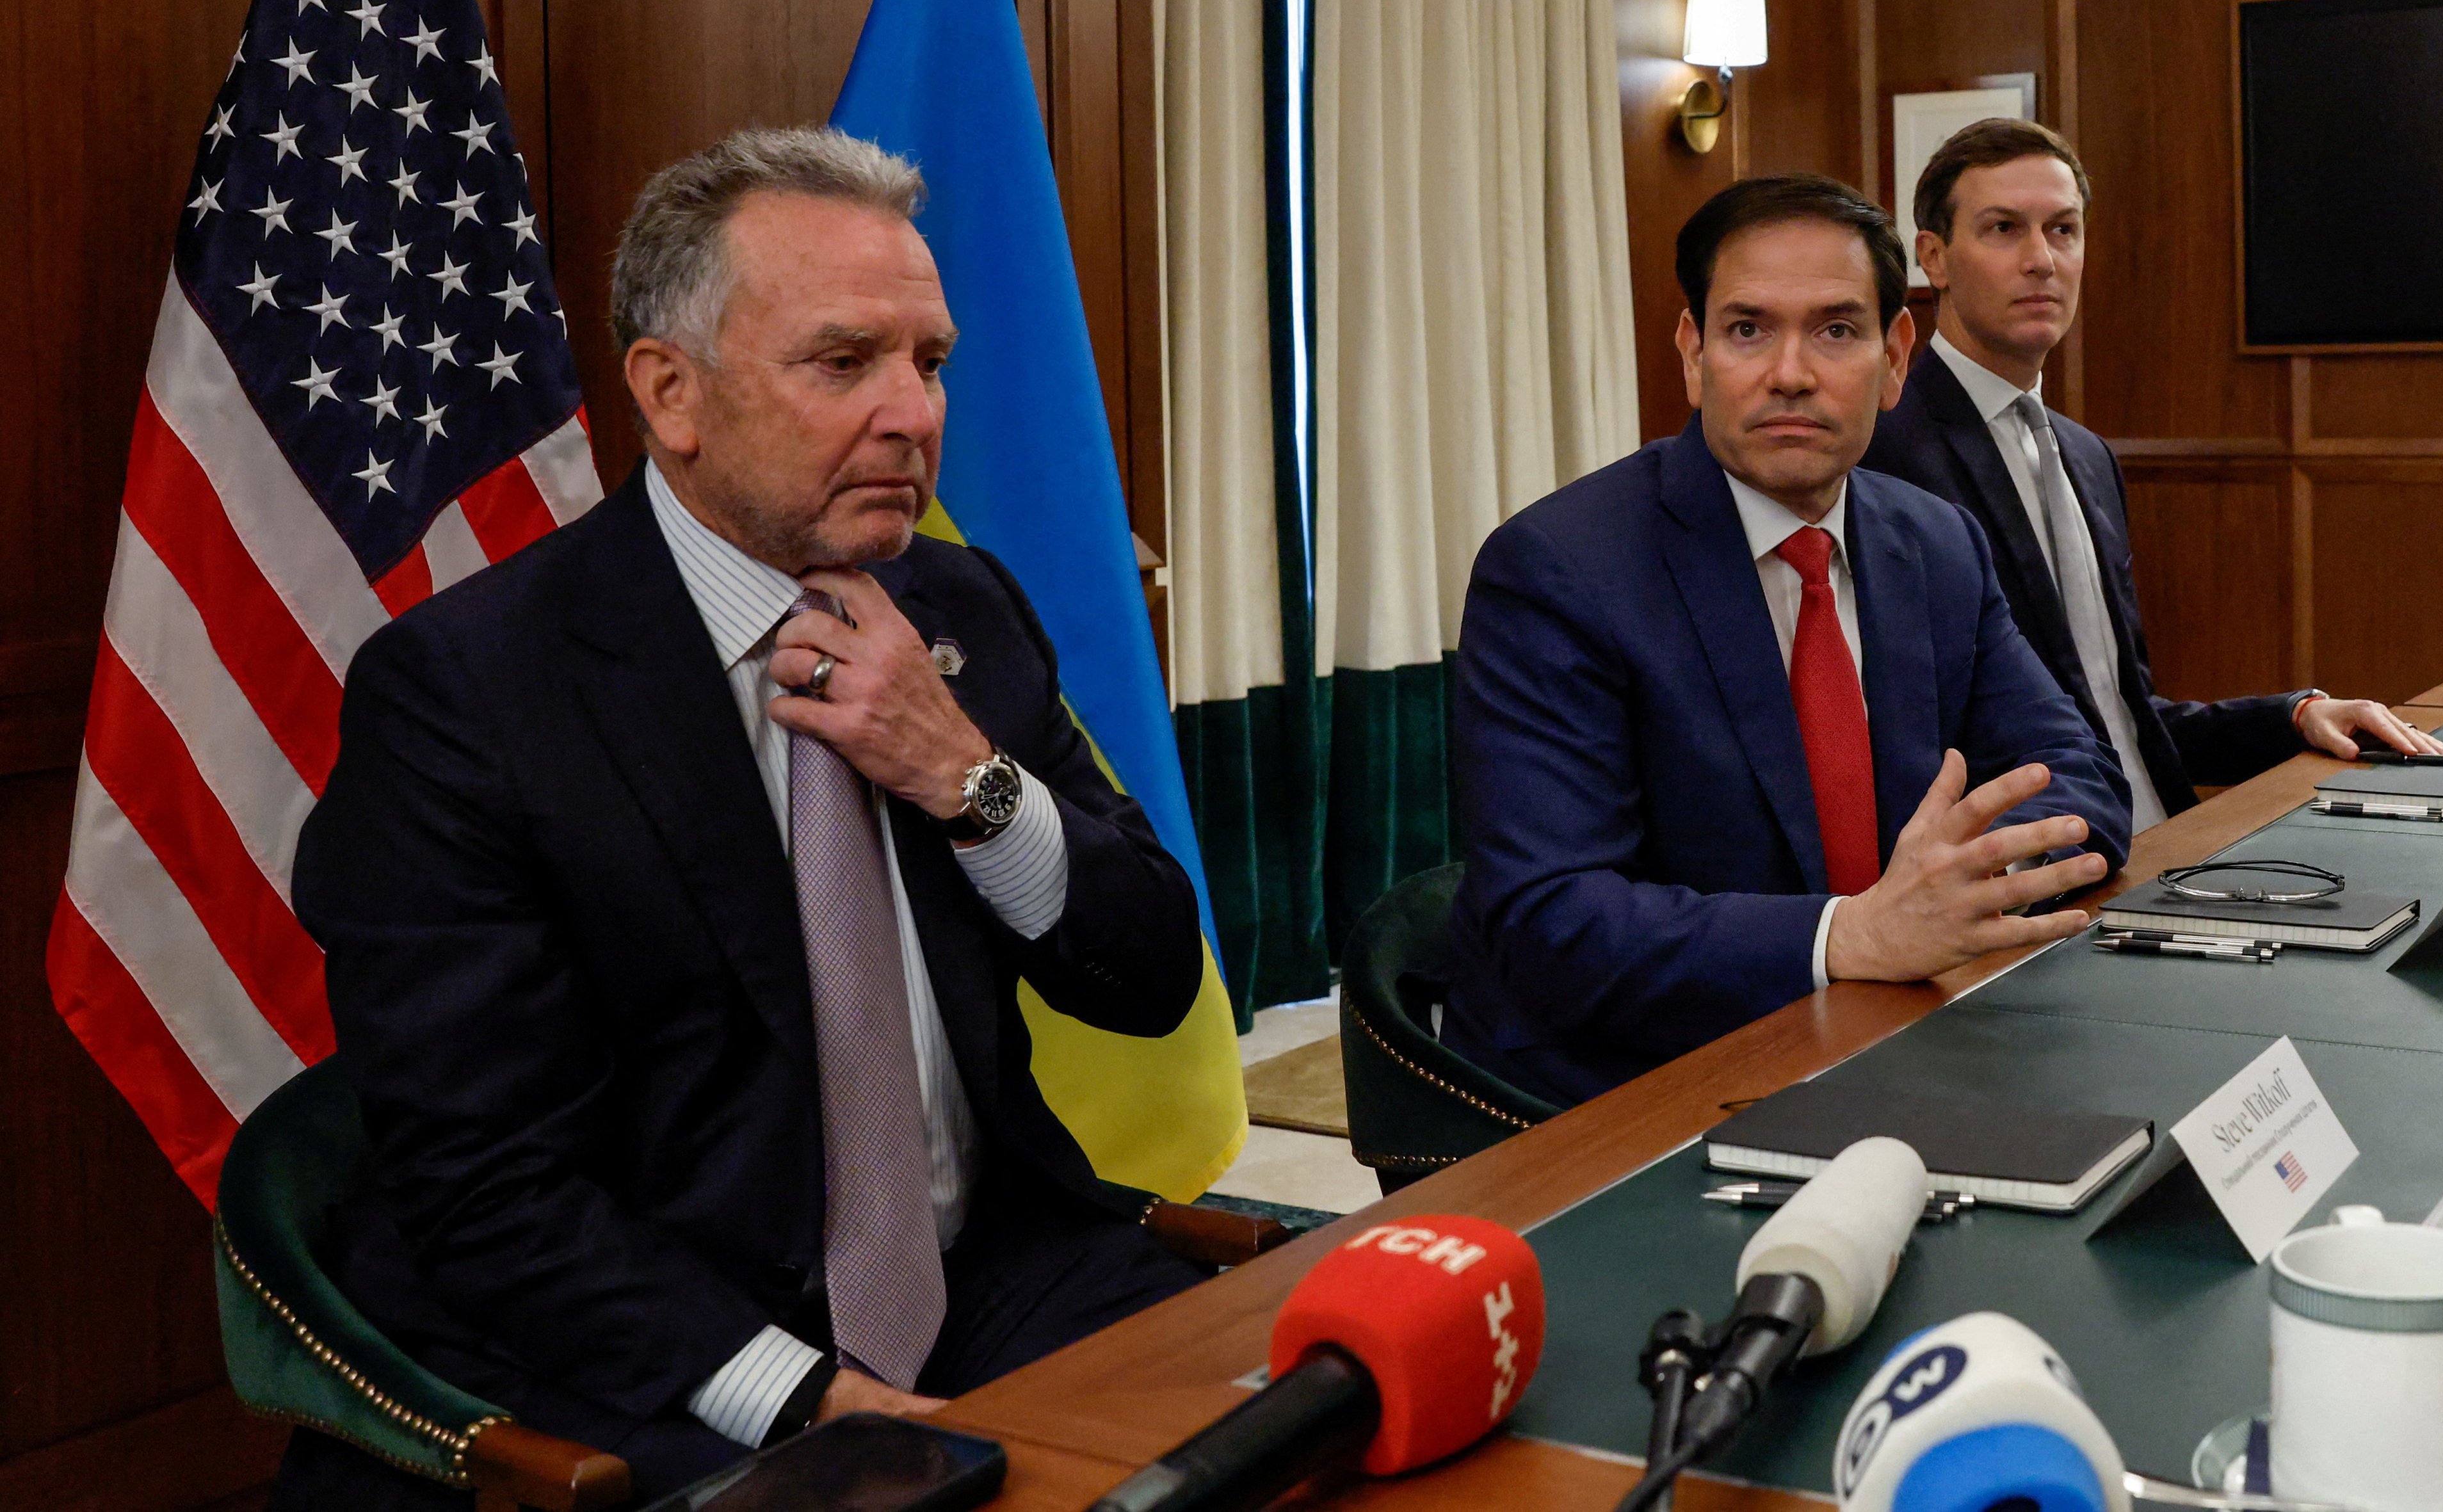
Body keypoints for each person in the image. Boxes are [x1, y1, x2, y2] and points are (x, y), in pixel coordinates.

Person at [276, 127, 1209, 1509]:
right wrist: (811, 1396)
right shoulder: (468, 695)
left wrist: (963, 775)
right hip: (643, 1345)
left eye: (928, 362)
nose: (913, 414)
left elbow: (1147, 976)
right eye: (845, 363)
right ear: (672, 392)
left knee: (1303, 1436)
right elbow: (483, 1188)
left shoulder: (963, 612)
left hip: (996, 1273)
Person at [1440, 174, 2131, 1107]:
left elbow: (2076, 773)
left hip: (1900, 1036)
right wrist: (1851, 934)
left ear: (1895, 359)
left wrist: (1951, 895)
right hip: (1636, 1088)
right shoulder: (1559, 570)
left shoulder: (1935, 543)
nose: (1791, 373)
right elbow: (1550, 920)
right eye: (1748, 330)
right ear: (1693, 355)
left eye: (1837, 331)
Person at [1862, 118, 2443, 835]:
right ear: (1934, 257)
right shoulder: (1881, 457)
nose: (2041, 259)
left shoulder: (2084, 457)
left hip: (2165, 836)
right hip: (2040, 868)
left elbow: (2119, 712)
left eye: (2064, 230)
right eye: (2003, 229)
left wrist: (2294, 714)